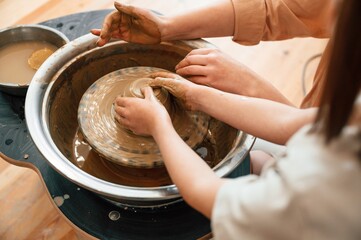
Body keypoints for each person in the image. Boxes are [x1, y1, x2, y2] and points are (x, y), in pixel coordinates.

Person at [109, 0, 360, 238]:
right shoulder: (355, 111)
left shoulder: (327, 188)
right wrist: (196, 95)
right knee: (259, 159)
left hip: (305, 224)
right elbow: (296, 122)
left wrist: (159, 126)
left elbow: (207, 194)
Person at [91, 0, 338, 171]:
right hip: (313, 142)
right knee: (259, 160)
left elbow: (319, 139)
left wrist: (249, 84)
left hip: (331, 192)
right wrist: (166, 27)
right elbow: (283, 8)